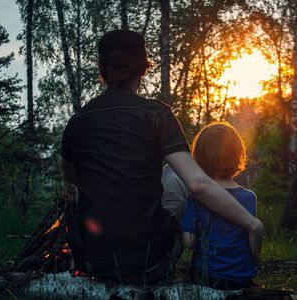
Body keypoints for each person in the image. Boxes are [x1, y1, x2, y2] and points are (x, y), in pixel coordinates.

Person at [60, 29, 263, 284]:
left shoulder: (77, 122)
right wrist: (252, 224)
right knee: (177, 183)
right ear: (143, 69)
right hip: (146, 261)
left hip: (89, 260)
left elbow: (70, 179)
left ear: (102, 70)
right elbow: (198, 184)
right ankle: (219, 268)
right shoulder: (156, 115)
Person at [181, 122, 258, 290]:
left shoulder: (196, 197)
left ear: (199, 157)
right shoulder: (249, 198)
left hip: (204, 277)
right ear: (238, 155)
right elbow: (253, 241)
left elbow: (188, 242)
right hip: (240, 278)